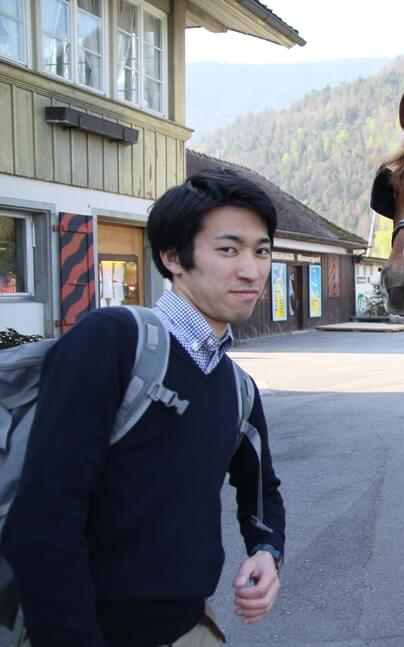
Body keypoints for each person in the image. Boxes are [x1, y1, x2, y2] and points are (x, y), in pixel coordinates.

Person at [1, 169, 286, 646]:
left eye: (261, 251)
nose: (252, 270)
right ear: (173, 257)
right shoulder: (114, 341)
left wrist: (266, 550)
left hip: (193, 630)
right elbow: (43, 517)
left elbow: (262, 491)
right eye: (228, 249)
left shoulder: (238, 389)